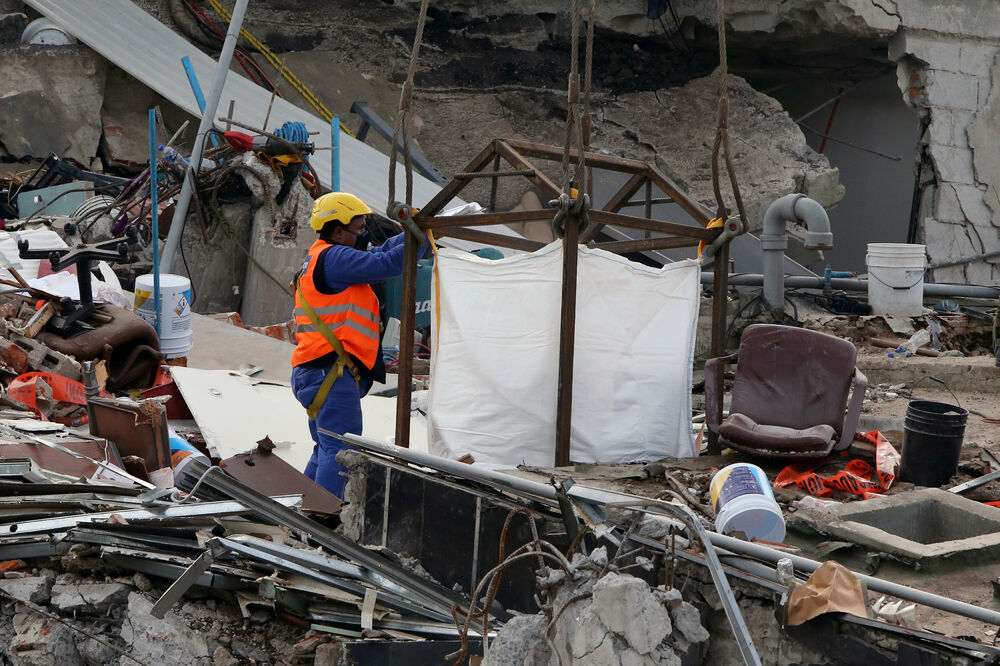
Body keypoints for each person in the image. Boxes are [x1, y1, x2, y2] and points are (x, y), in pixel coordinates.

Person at [290, 191, 421, 498]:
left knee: (326, 447)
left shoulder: (324, 255)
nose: (364, 235)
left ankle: (302, 512)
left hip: (317, 372)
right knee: (339, 451)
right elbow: (389, 262)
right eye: (359, 229)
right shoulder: (335, 258)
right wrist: (422, 236)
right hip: (329, 373)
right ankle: (323, 521)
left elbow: (381, 253)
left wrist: (412, 232)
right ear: (338, 231)